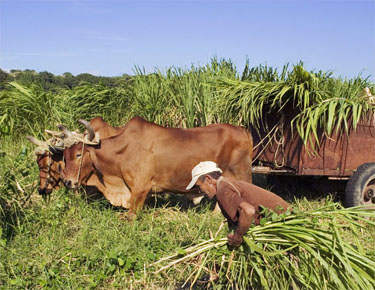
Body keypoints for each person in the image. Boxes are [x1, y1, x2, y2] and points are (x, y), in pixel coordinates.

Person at [186, 161, 290, 247]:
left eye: (199, 186)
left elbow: (248, 211)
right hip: (283, 216)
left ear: (208, 179)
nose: (200, 190)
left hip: (284, 220)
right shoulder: (225, 184)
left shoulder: (224, 190)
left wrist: (238, 236)